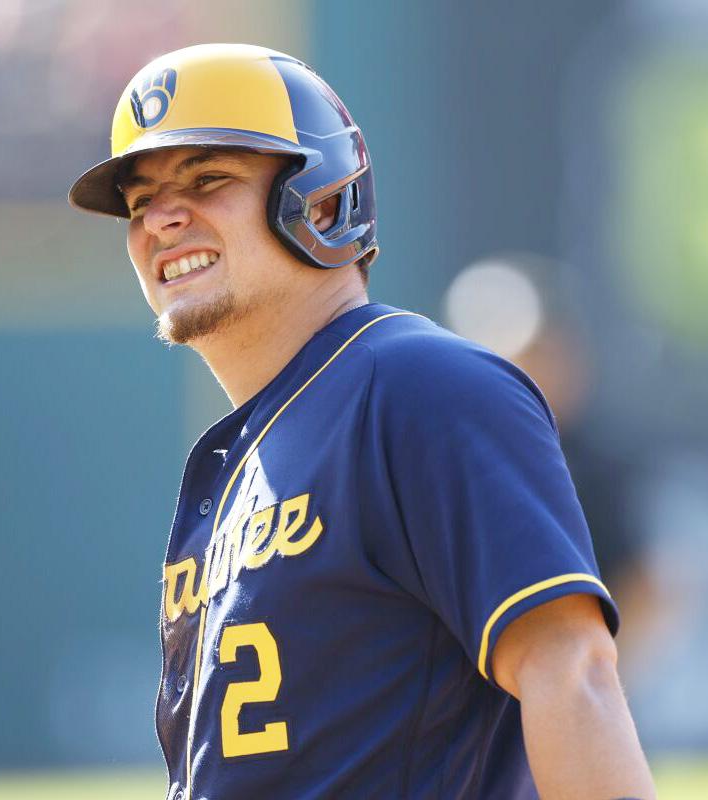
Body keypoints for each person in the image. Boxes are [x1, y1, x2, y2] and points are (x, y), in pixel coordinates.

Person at [69, 43, 656, 800]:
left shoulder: (422, 387)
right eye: (140, 200)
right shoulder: (241, 454)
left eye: (207, 179)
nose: (161, 217)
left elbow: (571, 674)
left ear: (319, 200)